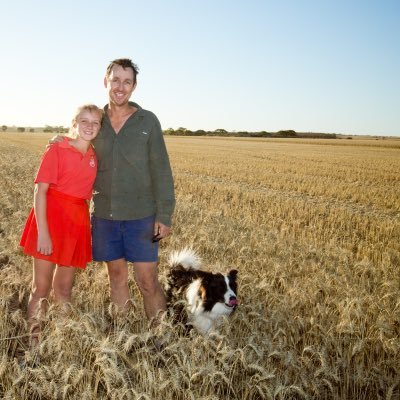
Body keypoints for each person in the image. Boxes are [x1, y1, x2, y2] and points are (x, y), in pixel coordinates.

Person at [92, 58, 175, 324]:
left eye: (127, 82)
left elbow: (161, 169)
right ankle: (122, 338)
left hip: (141, 216)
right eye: (115, 80)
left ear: (134, 87)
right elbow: (76, 145)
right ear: (106, 82)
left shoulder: (147, 121)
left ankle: (162, 341)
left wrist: (164, 214)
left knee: (147, 281)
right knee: (116, 278)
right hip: (105, 216)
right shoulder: (95, 120)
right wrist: (59, 141)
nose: (120, 86)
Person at [20, 104, 103, 346]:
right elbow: (40, 191)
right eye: (83, 121)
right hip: (49, 220)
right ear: (74, 123)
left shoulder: (94, 155)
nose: (89, 126)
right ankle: (34, 345)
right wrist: (43, 234)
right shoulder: (57, 148)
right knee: (41, 288)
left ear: (100, 127)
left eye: (95, 122)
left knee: (64, 289)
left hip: (76, 224)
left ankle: (61, 344)